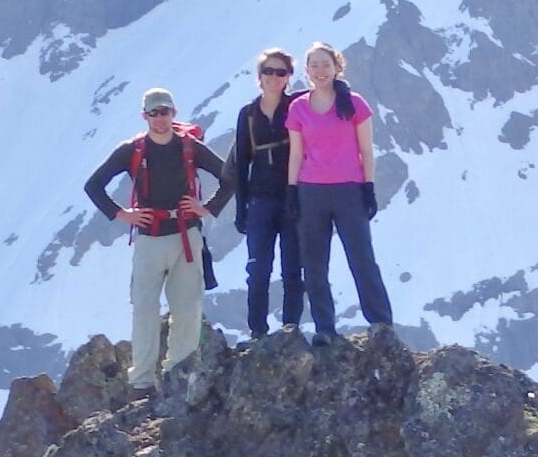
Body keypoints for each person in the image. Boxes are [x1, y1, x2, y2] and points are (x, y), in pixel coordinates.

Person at [84, 88, 232, 388]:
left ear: (173, 113)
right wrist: (122, 214)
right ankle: (142, 381)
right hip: (149, 238)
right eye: (154, 113)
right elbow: (93, 185)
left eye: (164, 111)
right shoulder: (132, 150)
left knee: (188, 309)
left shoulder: (190, 147)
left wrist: (207, 208)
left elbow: (231, 176)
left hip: (185, 234)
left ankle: (179, 375)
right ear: (145, 116)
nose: (160, 118)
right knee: (144, 309)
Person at [285, 42, 393, 345]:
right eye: (314, 65)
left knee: (362, 258)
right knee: (315, 263)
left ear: (336, 67)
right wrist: (292, 190)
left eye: (325, 64)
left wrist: (368, 187)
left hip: (348, 190)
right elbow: (296, 154)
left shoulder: (355, 103)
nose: (320, 71)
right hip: (311, 191)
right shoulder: (298, 108)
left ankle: (381, 322)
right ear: (306, 71)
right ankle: (325, 328)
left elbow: (366, 151)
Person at [227, 48, 305, 340]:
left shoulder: (298, 104)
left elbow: (330, 87)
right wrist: (240, 208)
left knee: (292, 269)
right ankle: (257, 330)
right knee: (258, 269)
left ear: (289, 77)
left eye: (280, 72)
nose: (274, 77)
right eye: (268, 71)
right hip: (260, 200)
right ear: (259, 76)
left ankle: (290, 331)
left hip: (293, 198)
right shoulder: (247, 114)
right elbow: (241, 162)